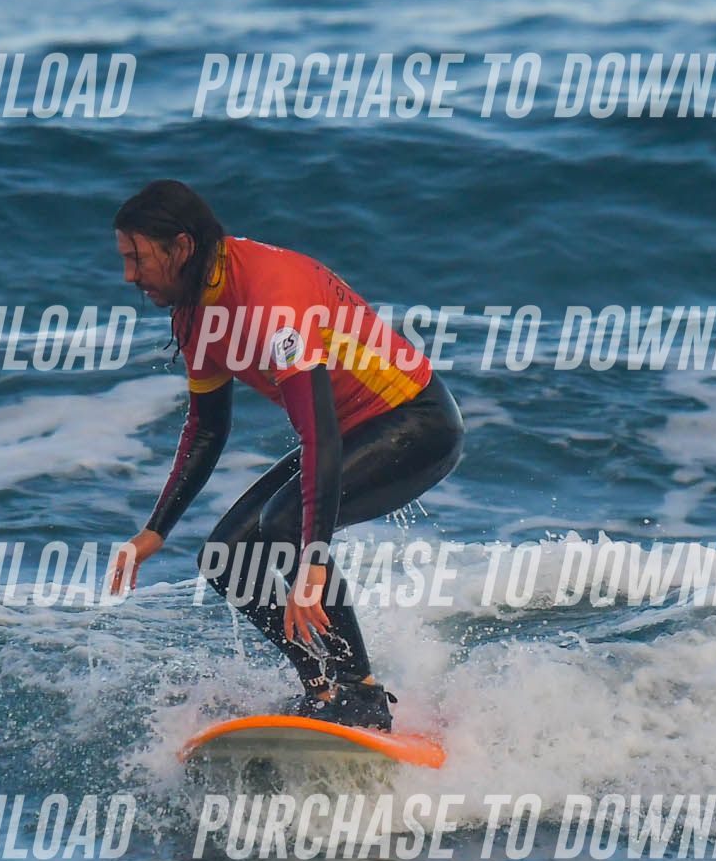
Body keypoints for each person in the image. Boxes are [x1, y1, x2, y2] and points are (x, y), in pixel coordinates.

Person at [104, 181, 461, 731]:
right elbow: (207, 429)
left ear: (181, 247)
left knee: (285, 524)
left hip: (416, 420)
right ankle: (321, 685)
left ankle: (360, 691)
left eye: (137, 258)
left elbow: (319, 436)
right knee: (225, 555)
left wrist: (312, 563)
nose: (129, 275)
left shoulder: (270, 300)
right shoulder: (196, 312)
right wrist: (156, 531)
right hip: (346, 431)